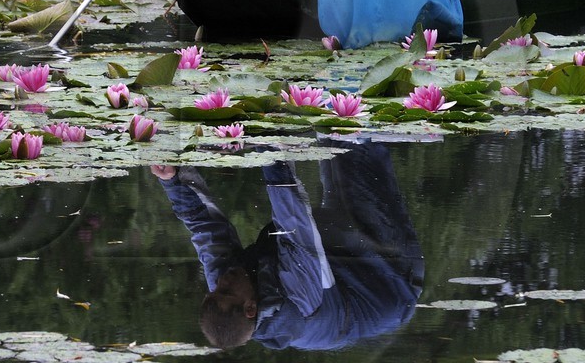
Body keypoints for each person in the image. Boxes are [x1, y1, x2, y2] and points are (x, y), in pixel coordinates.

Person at [150, 142, 425, 351]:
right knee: (357, 147)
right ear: (250, 308)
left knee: (333, 139)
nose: (221, 279)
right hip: (388, 281)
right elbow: (295, 226)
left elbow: (204, 226)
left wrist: (172, 181)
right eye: (225, 290)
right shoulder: (299, 302)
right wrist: (270, 150)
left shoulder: (224, 290)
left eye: (213, 290)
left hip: (338, 261)